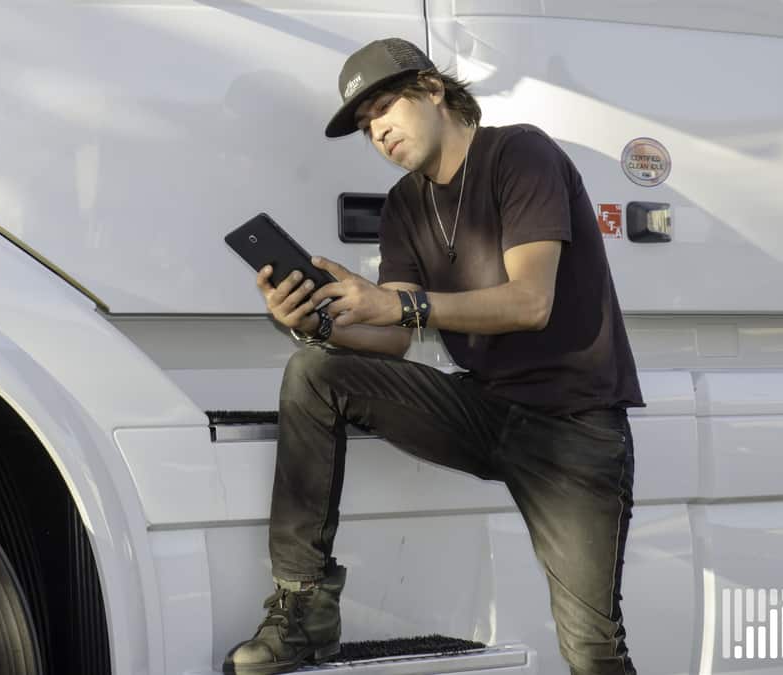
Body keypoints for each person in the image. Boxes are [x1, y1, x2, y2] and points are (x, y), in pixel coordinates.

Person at [222, 37, 645, 675]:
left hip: (575, 429)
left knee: (592, 650)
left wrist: (401, 305)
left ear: (432, 89)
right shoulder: (404, 205)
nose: (379, 132)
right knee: (314, 371)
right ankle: (304, 609)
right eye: (367, 128)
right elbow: (390, 336)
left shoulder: (519, 152)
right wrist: (314, 321)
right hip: (484, 408)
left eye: (386, 108)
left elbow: (530, 302)